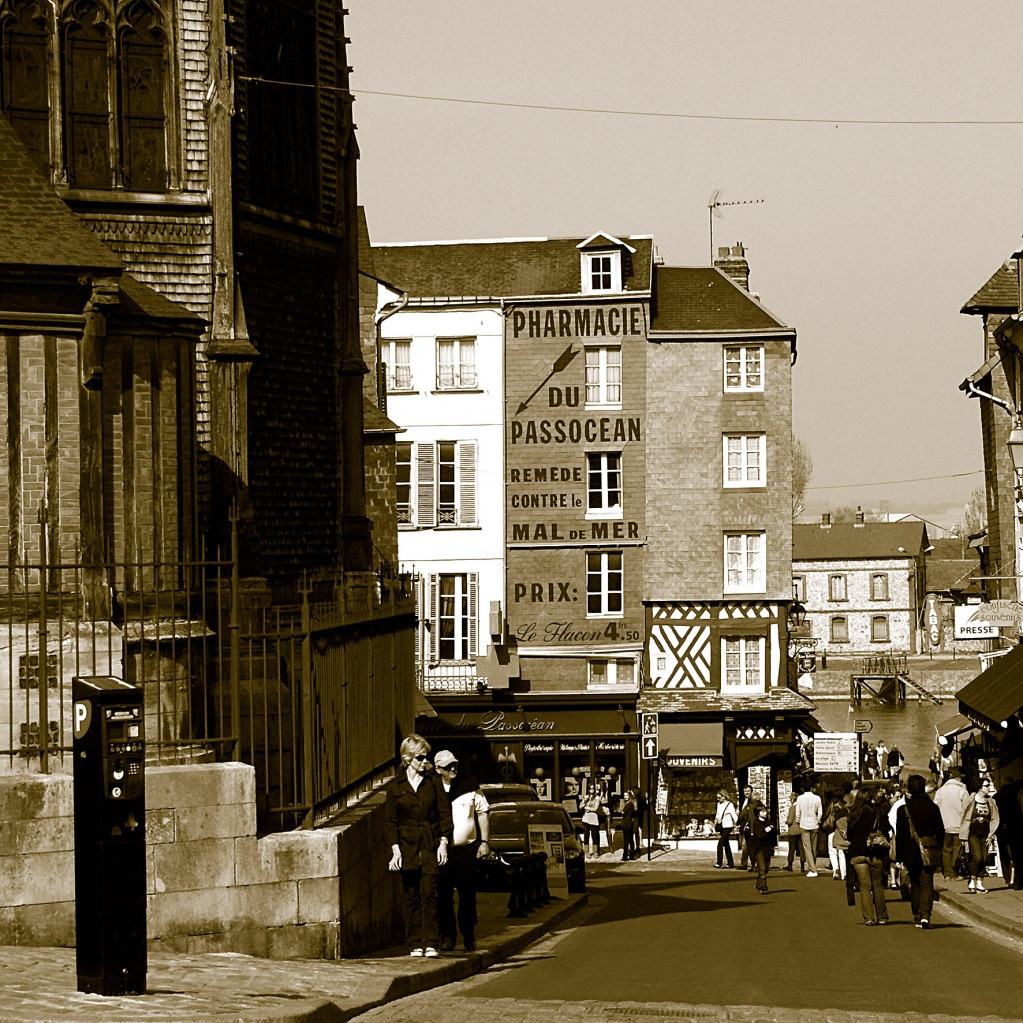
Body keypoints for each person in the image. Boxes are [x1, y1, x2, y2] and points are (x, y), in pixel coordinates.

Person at [384, 734, 453, 958]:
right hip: (407, 846)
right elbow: (391, 821)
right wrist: (395, 851)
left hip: (430, 844)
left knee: (429, 893)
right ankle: (415, 942)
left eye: (427, 757)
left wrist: (443, 842)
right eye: (420, 757)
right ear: (407, 758)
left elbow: (444, 813)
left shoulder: (433, 782)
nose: (425, 762)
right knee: (411, 895)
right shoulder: (396, 786)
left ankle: (432, 941)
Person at [433, 750, 489, 953]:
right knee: (443, 896)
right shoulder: (433, 788)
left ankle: (468, 933)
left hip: (465, 851)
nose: (453, 769)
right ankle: (447, 937)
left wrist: (484, 842)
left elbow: (483, 813)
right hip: (441, 851)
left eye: (455, 764)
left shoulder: (469, 786)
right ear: (438, 769)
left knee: (467, 895)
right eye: (448, 766)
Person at [895, 773, 943, 928]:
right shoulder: (933, 808)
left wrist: (899, 857)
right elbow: (940, 831)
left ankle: (916, 915)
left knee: (915, 884)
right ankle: (925, 915)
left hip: (910, 851)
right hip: (929, 849)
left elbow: (900, 835)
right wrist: (938, 847)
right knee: (927, 883)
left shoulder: (903, 810)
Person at [846, 789, 892, 925]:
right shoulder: (878, 814)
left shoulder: (854, 815)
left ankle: (869, 917)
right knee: (877, 885)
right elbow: (887, 829)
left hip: (858, 853)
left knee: (864, 887)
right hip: (875, 853)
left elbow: (849, 836)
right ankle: (882, 916)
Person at [962, 778, 1000, 894]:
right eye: (986, 785)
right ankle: (972, 879)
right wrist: (963, 836)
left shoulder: (990, 801)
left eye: (989, 785)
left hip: (985, 833)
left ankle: (979, 882)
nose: (989, 788)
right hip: (973, 832)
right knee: (977, 857)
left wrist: (991, 834)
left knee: (984, 858)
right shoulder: (970, 800)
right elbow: (964, 817)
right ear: (980, 787)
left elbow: (994, 818)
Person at [933, 767, 972, 881]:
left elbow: (936, 807)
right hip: (958, 825)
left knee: (946, 850)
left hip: (944, 826)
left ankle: (947, 873)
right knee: (957, 849)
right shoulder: (962, 791)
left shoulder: (940, 791)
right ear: (958, 778)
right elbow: (967, 809)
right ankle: (955, 872)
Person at [994, 776, 1023, 890]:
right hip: (1016, 827)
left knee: (1005, 853)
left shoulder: (997, 796)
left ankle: (1007, 877)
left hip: (1001, 827)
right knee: (1016, 855)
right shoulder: (1015, 796)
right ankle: (1016, 880)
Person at [746, 800, 777, 895]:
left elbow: (776, 831)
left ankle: (758, 884)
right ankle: (763, 887)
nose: (765, 813)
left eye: (765, 811)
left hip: (768, 848)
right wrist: (767, 830)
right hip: (759, 848)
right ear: (758, 814)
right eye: (762, 811)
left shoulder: (769, 822)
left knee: (766, 869)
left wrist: (771, 829)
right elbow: (760, 835)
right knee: (762, 868)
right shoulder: (756, 823)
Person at [794, 781, 823, 876]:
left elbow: (797, 813)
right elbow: (820, 812)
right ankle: (812, 866)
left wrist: (798, 820)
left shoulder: (800, 798)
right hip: (814, 824)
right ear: (812, 788)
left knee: (807, 847)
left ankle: (813, 869)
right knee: (814, 848)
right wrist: (818, 820)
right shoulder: (817, 798)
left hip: (804, 823)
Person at [886, 782, 905, 890]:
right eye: (897, 796)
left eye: (900, 796)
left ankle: (899, 880)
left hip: (898, 834)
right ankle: (893, 880)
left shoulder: (901, 805)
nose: (898, 798)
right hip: (893, 834)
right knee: (893, 857)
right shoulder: (888, 806)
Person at [713, 789, 737, 868]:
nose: (718, 799)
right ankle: (730, 863)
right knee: (726, 844)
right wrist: (716, 819)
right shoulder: (718, 804)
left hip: (728, 826)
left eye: (719, 798)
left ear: (724, 797)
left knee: (720, 844)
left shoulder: (729, 804)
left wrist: (739, 824)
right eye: (717, 798)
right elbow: (718, 814)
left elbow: (734, 815)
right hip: (722, 826)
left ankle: (719, 862)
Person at [736, 784, 756, 871]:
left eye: (748, 791)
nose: (746, 793)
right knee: (745, 845)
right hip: (744, 825)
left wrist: (738, 820)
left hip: (749, 825)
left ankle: (745, 863)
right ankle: (747, 863)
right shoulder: (744, 800)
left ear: (751, 791)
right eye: (745, 791)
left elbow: (745, 813)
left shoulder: (752, 802)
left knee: (746, 845)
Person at [581, 785, 603, 857]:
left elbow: (595, 808)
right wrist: (584, 800)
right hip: (586, 818)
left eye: (593, 788)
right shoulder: (586, 797)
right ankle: (586, 851)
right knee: (586, 834)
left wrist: (587, 808)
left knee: (594, 835)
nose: (591, 790)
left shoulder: (597, 798)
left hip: (593, 818)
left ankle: (595, 851)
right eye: (590, 788)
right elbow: (580, 806)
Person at [620, 788, 640, 861]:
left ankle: (625, 856)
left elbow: (623, 813)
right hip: (630, 823)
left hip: (626, 823)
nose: (625, 797)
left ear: (629, 796)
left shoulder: (628, 805)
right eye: (624, 795)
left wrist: (622, 812)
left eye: (627, 795)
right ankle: (631, 855)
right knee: (631, 840)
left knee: (626, 841)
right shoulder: (631, 804)